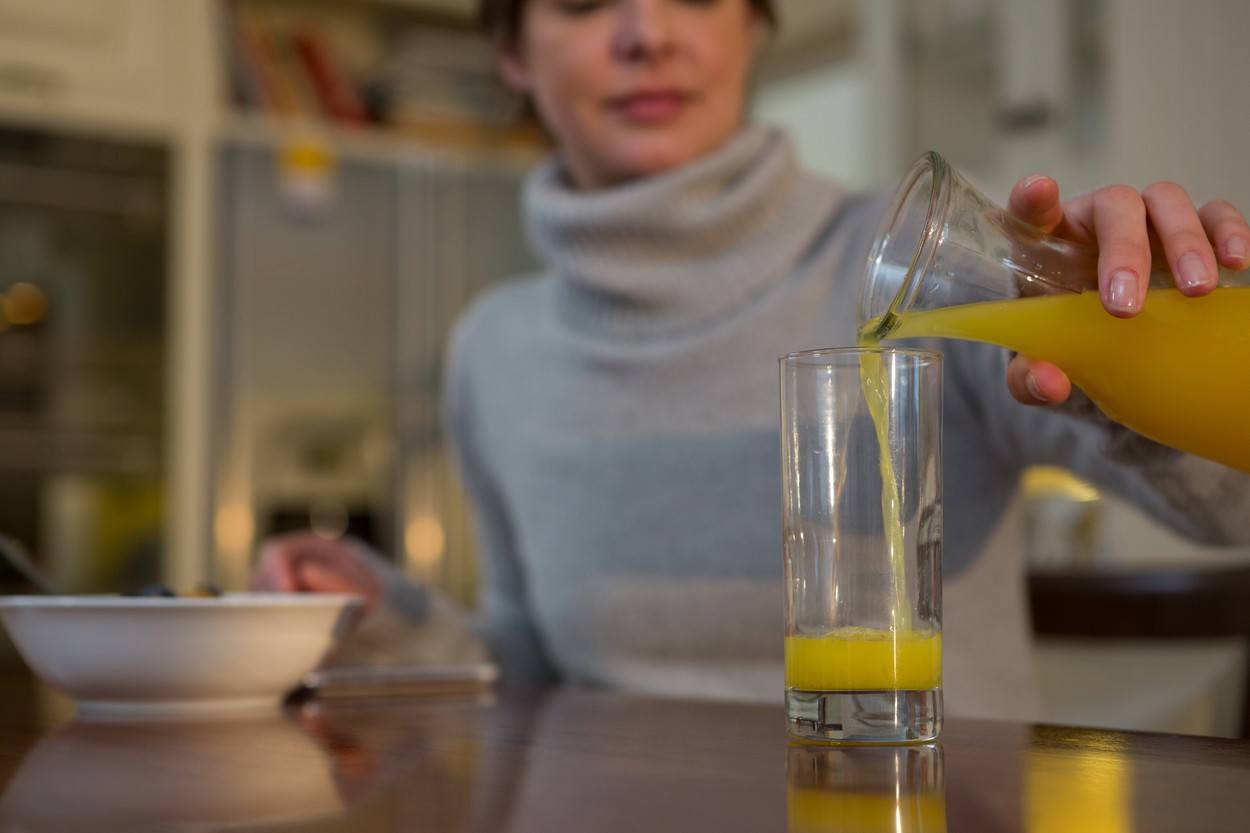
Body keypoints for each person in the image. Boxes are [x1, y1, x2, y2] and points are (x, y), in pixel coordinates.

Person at [253, 0, 1250, 720]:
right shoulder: (494, 347)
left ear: (750, 24)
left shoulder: (933, 278)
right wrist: (388, 618)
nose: (648, 31)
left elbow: (1227, 510)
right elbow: (535, 660)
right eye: (584, 1)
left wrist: (1159, 341)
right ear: (509, 51)